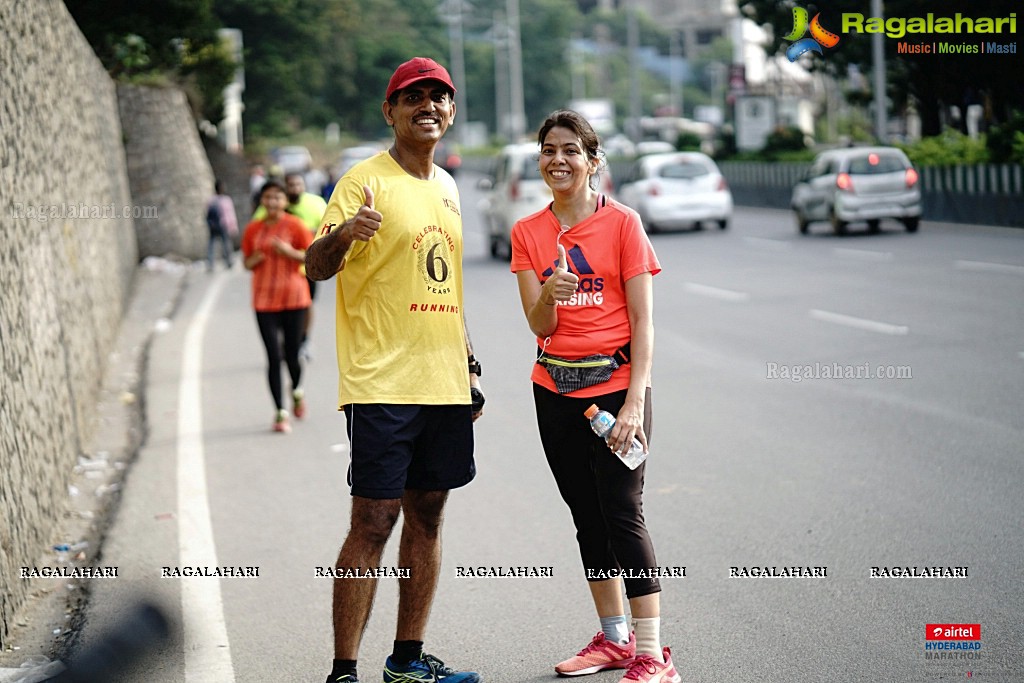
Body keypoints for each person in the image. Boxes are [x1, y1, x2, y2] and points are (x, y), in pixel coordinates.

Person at [305, 57, 483, 683]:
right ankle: (343, 670)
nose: (427, 106)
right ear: (391, 111)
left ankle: (406, 661)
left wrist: (469, 366)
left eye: (439, 97)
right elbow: (316, 267)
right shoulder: (362, 181)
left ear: (451, 111)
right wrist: (347, 233)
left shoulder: (449, 188)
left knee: (429, 514)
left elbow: (449, 286)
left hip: (444, 383)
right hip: (382, 381)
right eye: (413, 98)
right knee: (374, 520)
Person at [510, 110, 680, 683]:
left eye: (570, 150)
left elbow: (643, 321)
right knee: (586, 516)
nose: (558, 160)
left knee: (622, 513)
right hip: (553, 389)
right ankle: (614, 642)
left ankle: (654, 654)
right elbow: (537, 325)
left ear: (592, 160)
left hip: (614, 389)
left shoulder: (624, 224)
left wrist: (636, 402)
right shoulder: (528, 232)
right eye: (548, 149)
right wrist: (551, 295)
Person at [241, 179, 313, 433]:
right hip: (264, 301)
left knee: (292, 354)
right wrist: (255, 259)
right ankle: (280, 413)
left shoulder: (295, 226)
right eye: (268, 198)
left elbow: (310, 255)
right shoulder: (253, 229)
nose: (272, 202)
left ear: (284, 201)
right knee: (273, 356)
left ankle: (295, 389)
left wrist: (287, 252)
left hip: (294, 298)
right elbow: (246, 263)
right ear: (262, 201)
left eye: (277, 198)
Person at [254, 172, 328, 359]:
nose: (295, 188)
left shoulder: (317, 203)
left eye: (298, 184)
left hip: (308, 268)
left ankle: (304, 340)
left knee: (308, 305)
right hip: (280, 273)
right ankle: (287, 342)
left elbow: (330, 230)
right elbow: (256, 231)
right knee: (280, 312)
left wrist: (312, 234)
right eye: (291, 185)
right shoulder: (272, 207)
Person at [205, 180, 237, 271]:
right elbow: (230, 214)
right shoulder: (226, 200)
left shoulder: (211, 200)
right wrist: (233, 226)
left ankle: (210, 263)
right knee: (225, 243)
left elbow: (206, 213)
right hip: (223, 224)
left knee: (212, 245)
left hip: (213, 226)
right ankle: (228, 261)